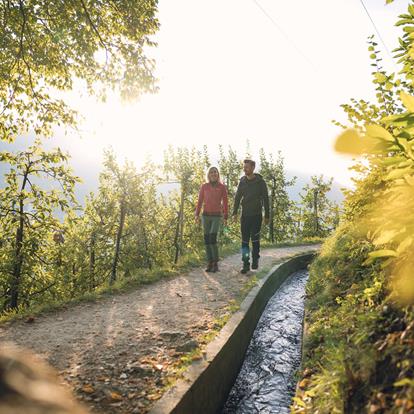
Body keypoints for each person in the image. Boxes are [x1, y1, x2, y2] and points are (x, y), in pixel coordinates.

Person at [232, 159, 269, 274]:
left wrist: (267, 215)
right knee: (244, 241)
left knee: (255, 239)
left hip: (257, 216)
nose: (244, 169)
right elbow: (237, 197)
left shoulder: (260, 182)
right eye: (244, 167)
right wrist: (234, 213)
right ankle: (245, 263)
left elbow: (266, 199)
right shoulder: (242, 181)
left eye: (246, 167)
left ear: (253, 168)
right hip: (245, 216)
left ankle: (255, 259)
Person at [195, 167, 229, 272]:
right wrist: (197, 214)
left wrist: (226, 215)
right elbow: (200, 201)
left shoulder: (222, 187)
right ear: (208, 175)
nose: (214, 174)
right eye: (211, 172)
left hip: (216, 216)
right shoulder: (204, 187)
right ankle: (209, 262)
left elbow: (225, 202)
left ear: (218, 174)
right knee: (207, 239)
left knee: (213, 238)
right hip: (205, 216)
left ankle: (215, 263)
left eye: (215, 172)